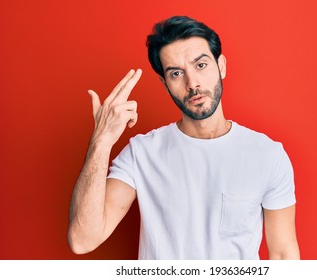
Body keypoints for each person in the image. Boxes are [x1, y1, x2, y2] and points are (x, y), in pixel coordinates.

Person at [68, 15, 300, 260]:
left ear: (221, 66)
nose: (192, 83)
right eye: (177, 73)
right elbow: (82, 240)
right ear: (164, 83)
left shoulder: (267, 155)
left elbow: (283, 254)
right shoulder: (141, 153)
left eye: (200, 65)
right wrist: (101, 142)